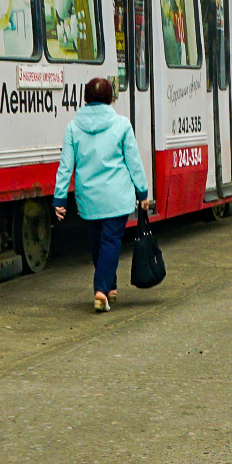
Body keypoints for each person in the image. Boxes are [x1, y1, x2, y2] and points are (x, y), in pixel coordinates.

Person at [53, 77, 153, 312]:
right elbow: (133, 162)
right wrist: (142, 192)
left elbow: (66, 166)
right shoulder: (122, 125)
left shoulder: (73, 127)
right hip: (117, 197)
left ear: (85, 98)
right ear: (111, 99)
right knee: (110, 242)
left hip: (88, 198)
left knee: (98, 244)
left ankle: (110, 286)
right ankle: (101, 290)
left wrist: (59, 198)